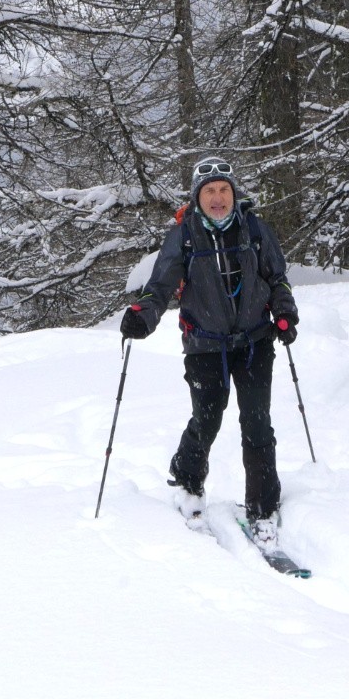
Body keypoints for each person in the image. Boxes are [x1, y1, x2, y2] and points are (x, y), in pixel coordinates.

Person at [119, 156, 299, 548]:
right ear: (197, 197)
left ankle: (263, 508)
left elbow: (277, 278)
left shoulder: (253, 229)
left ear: (234, 193)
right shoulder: (184, 236)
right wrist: (142, 318)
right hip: (204, 345)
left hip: (254, 341)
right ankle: (187, 480)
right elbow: (160, 286)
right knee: (207, 418)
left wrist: (284, 312)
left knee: (257, 423)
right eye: (209, 192)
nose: (218, 198)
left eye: (224, 190)